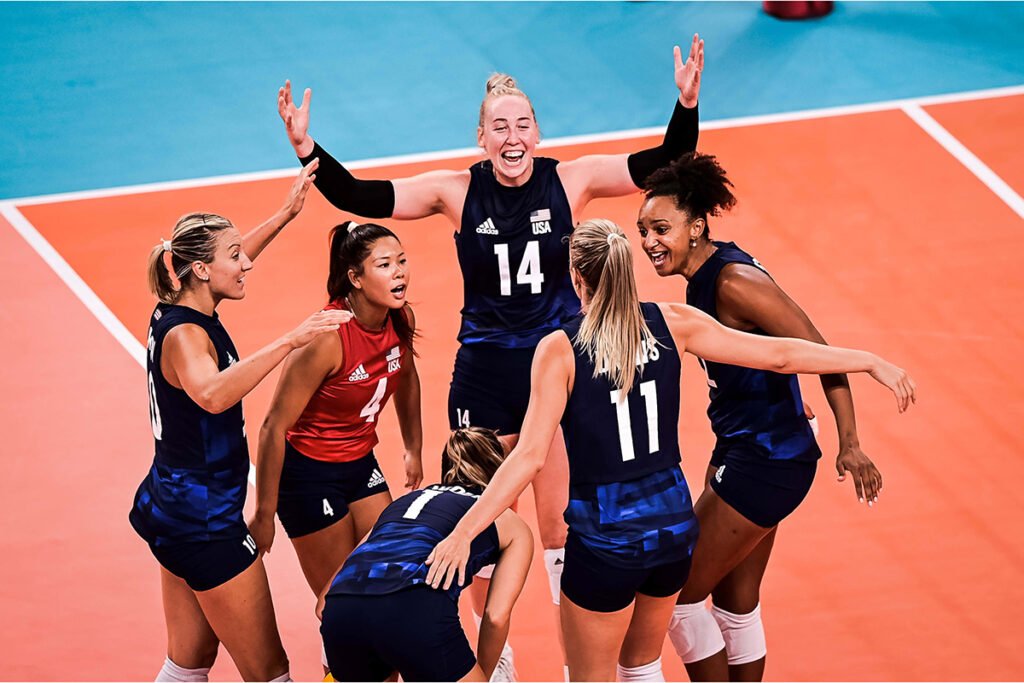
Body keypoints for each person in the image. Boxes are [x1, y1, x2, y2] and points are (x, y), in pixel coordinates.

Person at [277, 41, 706, 673]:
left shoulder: (570, 180)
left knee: (559, 526)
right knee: (479, 517)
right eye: (499, 127)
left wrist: (687, 102)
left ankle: (575, 659)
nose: (512, 137)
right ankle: (492, 656)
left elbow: (665, 160)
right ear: (481, 137)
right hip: (485, 374)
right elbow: (363, 198)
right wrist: (308, 150)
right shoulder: (454, 191)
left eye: (522, 125)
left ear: (538, 132)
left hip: (562, 365)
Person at [424, 219, 915, 682]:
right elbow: (783, 354)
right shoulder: (674, 322)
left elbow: (528, 457)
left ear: (576, 276)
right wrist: (868, 360)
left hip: (606, 537)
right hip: (674, 529)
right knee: (641, 665)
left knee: (593, 676)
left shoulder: (559, 347)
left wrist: (463, 533)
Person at [634, 151, 911, 681]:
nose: (648, 241)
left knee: (679, 597)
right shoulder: (703, 277)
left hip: (766, 459)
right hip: (750, 446)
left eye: (661, 228)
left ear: (696, 227)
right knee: (735, 602)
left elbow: (816, 349)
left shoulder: (733, 283)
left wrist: (849, 441)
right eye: (643, 229)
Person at [129, 161, 354, 683]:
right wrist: (291, 339)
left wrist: (285, 214)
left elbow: (233, 256)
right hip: (206, 521)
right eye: (233, 257)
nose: (245, 264)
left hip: (173, 506)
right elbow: (210, 394)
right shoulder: (188, 337)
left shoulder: (178, 303)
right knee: (270, 671)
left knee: (187, 662)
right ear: (202, 270)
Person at [251, 221, 423, 667]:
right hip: (307, 475)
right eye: (384, 265)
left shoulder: (398, 318)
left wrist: (413, 446)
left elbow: (406, 374)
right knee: (340, 598)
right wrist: (264, 515)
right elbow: (272, 428)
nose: (399, 273)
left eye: (402, 261)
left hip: (358, 461)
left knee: (390, 570)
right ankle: (337, 670)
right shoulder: (326, 339)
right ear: (355, 277)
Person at [318, 428, 533, 682]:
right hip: (415, 611)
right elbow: (495, 617)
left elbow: (323, 602)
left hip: (342, 613)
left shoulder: (400, 505)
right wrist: (482, 676)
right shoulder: (510, 522)